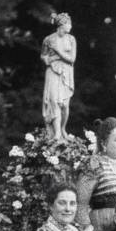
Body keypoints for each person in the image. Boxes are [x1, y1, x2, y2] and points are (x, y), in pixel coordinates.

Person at [41, 12, 76, 140]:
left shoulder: (71, 39)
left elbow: (72, 59)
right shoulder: (49, 39)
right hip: (52, 72)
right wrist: (48, 60)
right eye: (69, 23)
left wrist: (57, 51)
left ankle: (62, 128)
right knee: (54, 102)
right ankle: (56, 133)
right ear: (62, 25)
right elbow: (43, 55)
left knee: (65, 105)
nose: (70, 26)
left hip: (66, 73)